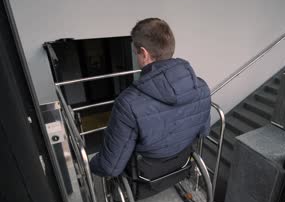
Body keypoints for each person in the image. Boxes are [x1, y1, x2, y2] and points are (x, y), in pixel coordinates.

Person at [90, 18, 211, 177]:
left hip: (146, 175)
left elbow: (109, 168)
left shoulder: (127, 103)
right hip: (183, 162)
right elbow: (203, 131)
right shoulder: (201, 87)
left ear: (145, 54)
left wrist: (91, 164)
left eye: (136, 53)